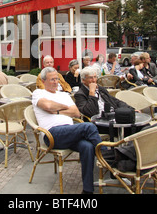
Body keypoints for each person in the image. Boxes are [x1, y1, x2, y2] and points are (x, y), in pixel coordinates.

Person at [32, 66, 104, 194]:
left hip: (70, 132)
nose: (56, 82)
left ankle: (88, 190)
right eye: (52, 80)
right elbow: (47, 105)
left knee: (87, 146)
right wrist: (65, 108)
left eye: (57, 79)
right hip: (52, 134)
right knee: (89, 126)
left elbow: (76, 113)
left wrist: (57, 110)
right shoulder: (38, 93)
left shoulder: (63, 94)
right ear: (43, 82)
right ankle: (108, 158)